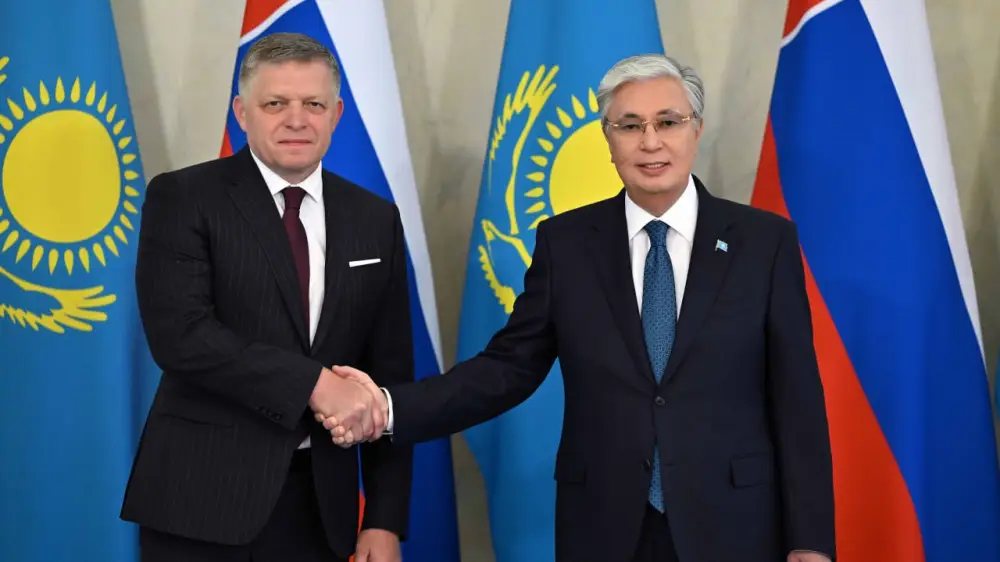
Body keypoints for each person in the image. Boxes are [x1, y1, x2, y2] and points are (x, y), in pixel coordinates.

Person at [323, 54, 836, 562]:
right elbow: (505, 369)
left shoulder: (763, 243)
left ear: (695, 129)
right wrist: (387, 408)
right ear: (608, 139)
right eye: (629, 125)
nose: (650, 142)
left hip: (735, 525)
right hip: (604, 525)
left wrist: (810, 541)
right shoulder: (566, 244)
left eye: (668, 122)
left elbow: (797, 401)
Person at [120, 32, 410, 562]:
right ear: (242, 113)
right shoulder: (183, 197)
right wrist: (315, 384)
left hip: (323, 507)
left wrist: (384, 519)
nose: (296, 120)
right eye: (275, 104)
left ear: (336, 114)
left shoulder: (375, 218)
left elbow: (390, 373)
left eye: (313, 104)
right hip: (201, 499)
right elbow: (181, 337)